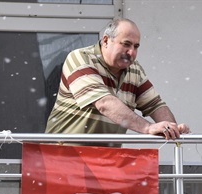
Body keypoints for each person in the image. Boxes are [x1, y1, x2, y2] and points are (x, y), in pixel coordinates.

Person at [45, 18, 190, 142]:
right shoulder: (80, 58)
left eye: (136, 46)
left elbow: (155, 105)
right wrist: (147, 127)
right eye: (126, 44)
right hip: (61, 156)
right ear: (106, 41)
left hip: (106, 160)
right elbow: (104, 103)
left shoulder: (135, 70)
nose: (132, 52)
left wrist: (171, 127)